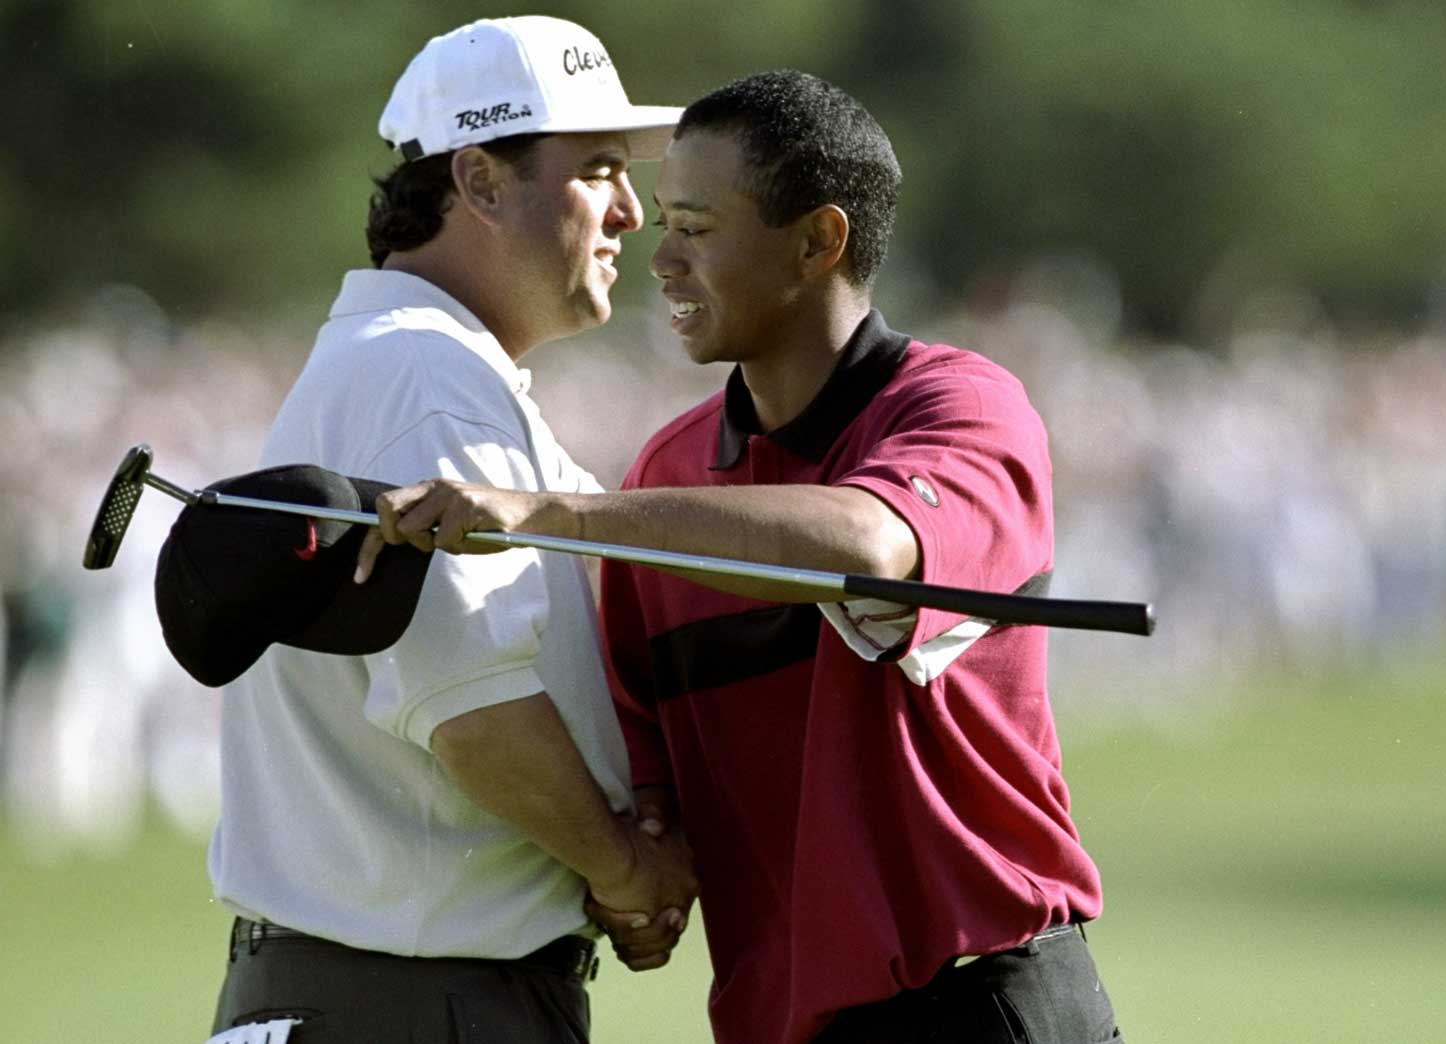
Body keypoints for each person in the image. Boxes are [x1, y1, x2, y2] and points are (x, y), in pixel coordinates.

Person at [366, 71, 1125, 1044]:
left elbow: (867, 545)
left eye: (696, 227)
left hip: (983, 1006)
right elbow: (650, 774)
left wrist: (552, 512)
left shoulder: (963, 407)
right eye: (664, 227)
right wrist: (635, 873)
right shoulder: (666, 474)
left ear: (817, 241)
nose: (661, 259)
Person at [202, 16, 696, 1043]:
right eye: (598, 169)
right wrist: (624, 868)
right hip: (415, 1001)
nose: (630, 210)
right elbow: (474, 709)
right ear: (479, 181)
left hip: (390, 993)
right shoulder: (421, 374)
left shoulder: (427, 367)